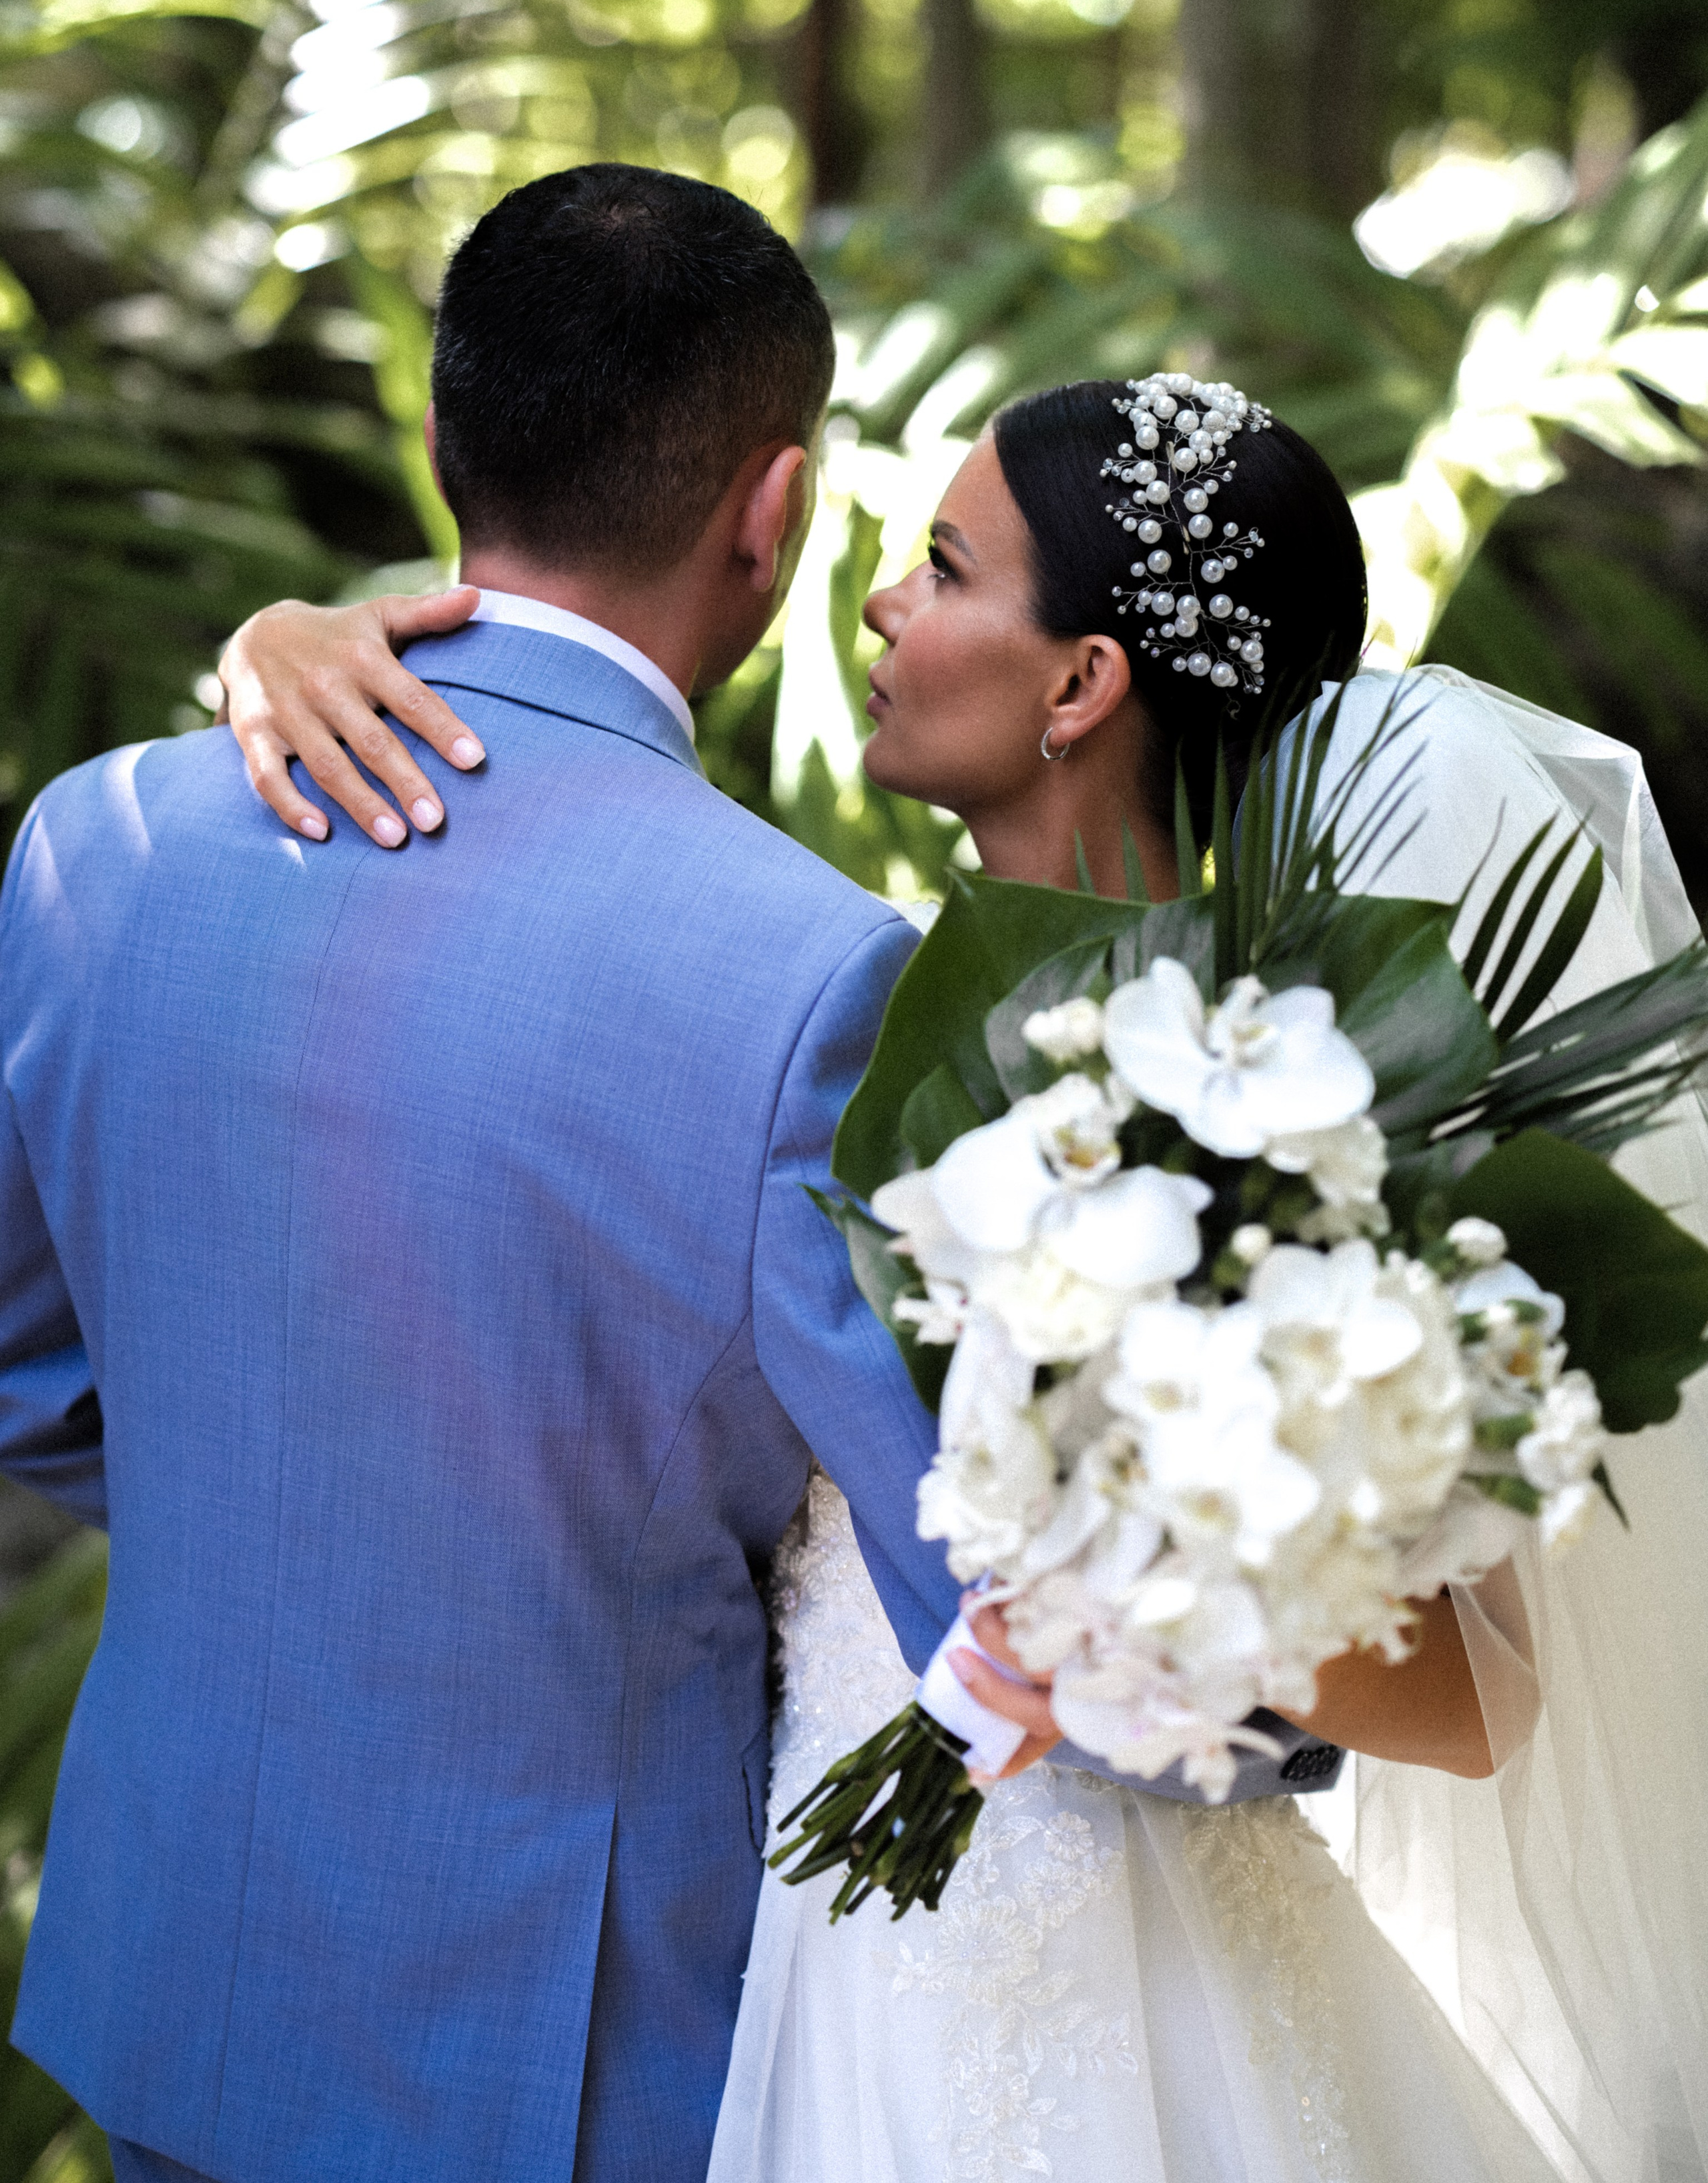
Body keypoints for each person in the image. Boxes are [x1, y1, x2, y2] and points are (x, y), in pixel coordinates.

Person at [216, 360, 1708, 2180]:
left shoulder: (1307, 1113)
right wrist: (289, 638)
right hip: (794, 1936)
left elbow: (1476, 1706)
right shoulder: (824, 1008)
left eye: (939, 563)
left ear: (1080, 682)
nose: (879, 599)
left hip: (1139, 1941)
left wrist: (1140, 1564)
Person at [0, 162, 1057, 2183]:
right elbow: (969, 1575)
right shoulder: (811, 968)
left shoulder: (95, 842)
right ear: (778, 505)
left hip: (184, 1974)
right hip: (554, 2054)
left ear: (438, 434)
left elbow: (30, 1374)